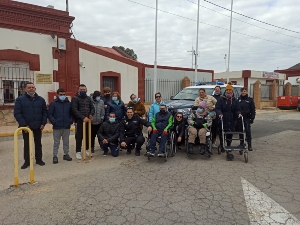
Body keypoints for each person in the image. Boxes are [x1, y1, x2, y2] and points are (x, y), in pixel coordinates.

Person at [14, 82, 48, 169]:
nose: (31, 89)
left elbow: (45, 112)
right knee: (27, 144)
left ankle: (39, 159)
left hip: (38, 126)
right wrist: (24, 125)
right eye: (29, 88)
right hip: (26, 127)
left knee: (38, 144)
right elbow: (17, 113)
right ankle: (27, 161)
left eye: (33, 87)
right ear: (25, 89)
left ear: (35, 89)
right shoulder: (20, 100)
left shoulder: (41, 100)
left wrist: (43, 123)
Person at [48, 88, 73, 164]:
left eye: (64, 94)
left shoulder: (69, 103)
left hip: (66, 126)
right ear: (57, 95)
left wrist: (70, 121)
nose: (62, 96)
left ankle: (66, 154)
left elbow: (72, 114)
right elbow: (50, 114)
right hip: (57, 126)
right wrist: (54, 122)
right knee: (56, 142)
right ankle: (55, 156)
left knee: (66, 142)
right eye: (61, 95)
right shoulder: (53, 104)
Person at [216, 84, 242, 153]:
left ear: (232, 91)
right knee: (222, 132)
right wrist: (219, 113)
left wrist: (238, 113)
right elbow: (218, 108)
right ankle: (222, 145)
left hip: (232, 119)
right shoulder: (221, 99)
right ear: (225, 91)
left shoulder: (234, 100)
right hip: (223, 118)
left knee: (229, 133)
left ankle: (228, 145)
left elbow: (237, 109)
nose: (228, 91)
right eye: (227, 90)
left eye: (230, 90)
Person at [71, 84, 95, 160]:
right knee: (79, 136)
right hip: (79, 121)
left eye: (84, 90)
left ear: (86, 90)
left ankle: (87, 149)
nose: (82, 91)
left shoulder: (88, 98)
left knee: (88, 135)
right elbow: (74, 110)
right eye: (81, 90)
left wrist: (91, 114)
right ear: (78, 90)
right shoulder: (75, 98)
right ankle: (78, 152)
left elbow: (92, 107)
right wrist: (82, 117)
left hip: (88, 121)